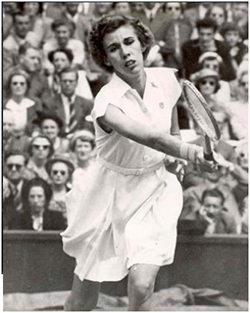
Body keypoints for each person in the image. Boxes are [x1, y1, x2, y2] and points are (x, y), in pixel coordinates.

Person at [61, 15, 219, 311]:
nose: (125, 53)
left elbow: (170, 135)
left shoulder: (167, 80)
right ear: (105, 58)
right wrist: (193, 153)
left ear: (142, 42)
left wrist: (177, 162)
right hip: (109, 195)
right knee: (82, 299)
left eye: (129, 42)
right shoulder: (106, 102)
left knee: (142, 284)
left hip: (156, 191)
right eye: (114, 48)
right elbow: (150, 137)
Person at [43, 67, 94, 137]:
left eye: (71, 81)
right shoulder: (49, 103)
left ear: (76, 83)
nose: (67, 84)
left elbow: (89, 127)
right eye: (64, 81)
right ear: (59, 82)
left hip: (79, 140)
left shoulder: (87, 104)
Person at [3, 69, 42, 137]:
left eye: (22, 83)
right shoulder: (3, 105)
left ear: (27, 86)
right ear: (10, 86)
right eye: (15, 83)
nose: (18, 86)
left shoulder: (35, 104)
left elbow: (38, 124)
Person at [45, 154, 75, 224]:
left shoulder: (73, 193)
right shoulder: (44, 192)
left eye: (62, 173)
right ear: (50, 174)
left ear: (68, 175)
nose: (58, 175)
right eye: (55, 172)